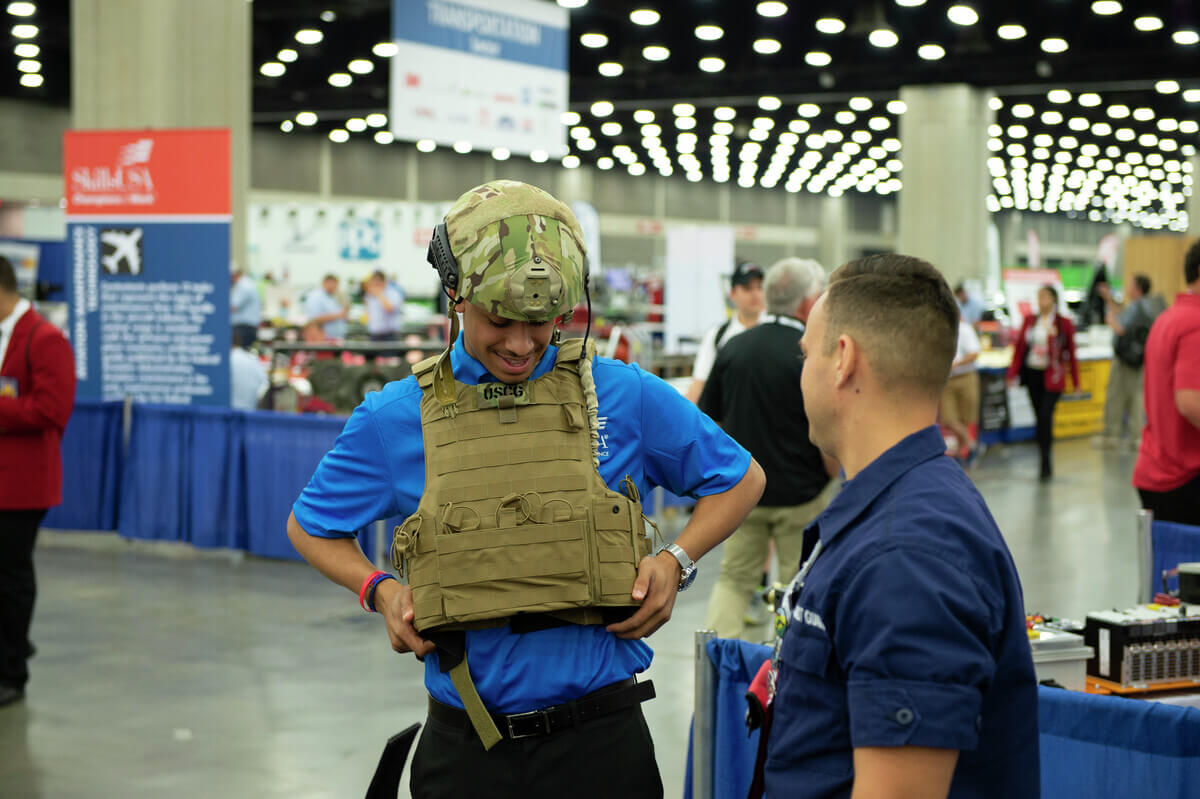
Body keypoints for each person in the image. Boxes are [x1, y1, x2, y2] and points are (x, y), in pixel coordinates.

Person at [285, 180, 764, 798]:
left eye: (541, 321)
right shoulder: (397, 416)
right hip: (469, 750)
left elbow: (741, 478)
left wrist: (676, 561)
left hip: (603, 743)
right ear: (455, 296)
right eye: (499, 319)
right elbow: (311, 525)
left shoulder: (622, 394)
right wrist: (379, 590)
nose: (519, 343)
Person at [757, 253, 1038, 799]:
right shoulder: (890, 513)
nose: (803, 370)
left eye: (806, 353)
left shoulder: (906, 556)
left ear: (842, 359)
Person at [698, 257, 838, 641]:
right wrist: (830, 472)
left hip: (744, 494)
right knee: (798, 584)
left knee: (734, 579)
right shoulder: (810, 356)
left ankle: (714, 667)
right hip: (802, 494)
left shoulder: (734, 348)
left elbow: (713, 423)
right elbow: (826, 426)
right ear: (808, 303)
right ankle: (785, 670)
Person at [0, 255, 76, 708]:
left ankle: (12, 672)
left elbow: (52, 409)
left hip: (24, 484)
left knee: (11, 577)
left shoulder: (45, 340)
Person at [1133, 241, 1200, 525]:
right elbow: (1190, 402)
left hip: (1156, 468)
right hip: (1185, 475)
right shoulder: (1195, 323)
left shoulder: (1168, 318)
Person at [1006, 284, 1079, 481]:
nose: (1041, 301)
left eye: (1045, 297)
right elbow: (1020, 349)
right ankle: (1043, 456)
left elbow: (1071, 353)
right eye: (1039, 297)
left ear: (1054, 299)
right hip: (1033, 375)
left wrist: (1076, 380)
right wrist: (1012, 373)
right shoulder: (1030, 321)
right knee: (1039, 418)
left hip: (1053, 377)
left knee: (1046, 416)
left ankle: (1046, 460)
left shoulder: (1064, 324)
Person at [1094, 274, 1163, 449]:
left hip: (1125, 359)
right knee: (1136, 397)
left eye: (1130, 285)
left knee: (1117, 395)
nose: (1127, 288)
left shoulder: (1137, 308)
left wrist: (1110, 321)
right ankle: (1137, 436)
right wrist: (1109, 299)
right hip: (1139, 359)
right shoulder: (1148, 306)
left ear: (1138, 288)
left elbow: (1121, 328)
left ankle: (1112, 435)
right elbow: (1123, 315)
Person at [685, 260, 765, 403]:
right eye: (747, 288)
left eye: (759, 287)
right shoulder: (717, 336)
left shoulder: (775, 333)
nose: (755, 294)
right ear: (732, 294)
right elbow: (698, 384)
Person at [939, 311, 982, 462]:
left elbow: (974, 353)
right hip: (946, 380)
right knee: (948, 419)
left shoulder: (964, 330)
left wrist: (956, 364)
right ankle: (970, 444)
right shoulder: (939, 331)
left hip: (966, 377)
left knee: (966, 418)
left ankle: (959, 454)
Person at [303, 273, 349, 340]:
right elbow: (314, 319)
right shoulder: (316, 297)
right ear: (326, 282)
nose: (336, 287)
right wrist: (339, 315)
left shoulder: (331, 296)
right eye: (334, 284)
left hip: (335, 338)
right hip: (324, 339)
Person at [364, 269, 404, 342]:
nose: (374, 284)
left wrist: (380, 294)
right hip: (374, 334)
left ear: (383, 281)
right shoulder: (369, 295)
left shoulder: (393, 294)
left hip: (389, 335)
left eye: (376, 281)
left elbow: (390, 309)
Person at [229, 340, 267, 411]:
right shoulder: (252, 360)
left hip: (227, 414)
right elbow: (264, 387)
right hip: (250, 413)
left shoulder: (226, 359)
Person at [230, 268, 261, 348]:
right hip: (246, 327)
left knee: (240, 352)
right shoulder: (247, 283)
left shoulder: (243, 286)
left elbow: (233, 306)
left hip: (244, 328)